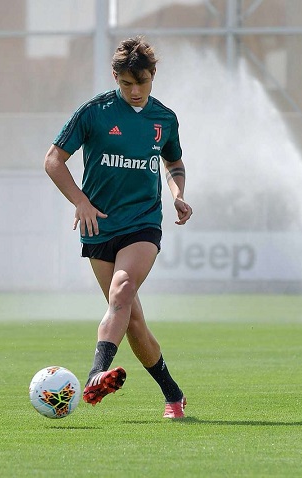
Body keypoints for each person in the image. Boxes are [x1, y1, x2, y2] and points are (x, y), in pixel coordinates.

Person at [44, 36, 192, 419]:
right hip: (98, 226)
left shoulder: (164, 118)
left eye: (142, 82)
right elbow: (53, 160)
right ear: (115, 77)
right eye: (127, 84)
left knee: (122, 289)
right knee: (132, 320)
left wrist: (177, 193)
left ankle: (95, 373)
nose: (135, 90)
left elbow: (174, 164)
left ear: (153, 75)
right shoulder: (95, 112)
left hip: (143, 222)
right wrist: (80, 201)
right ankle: (173, 394)